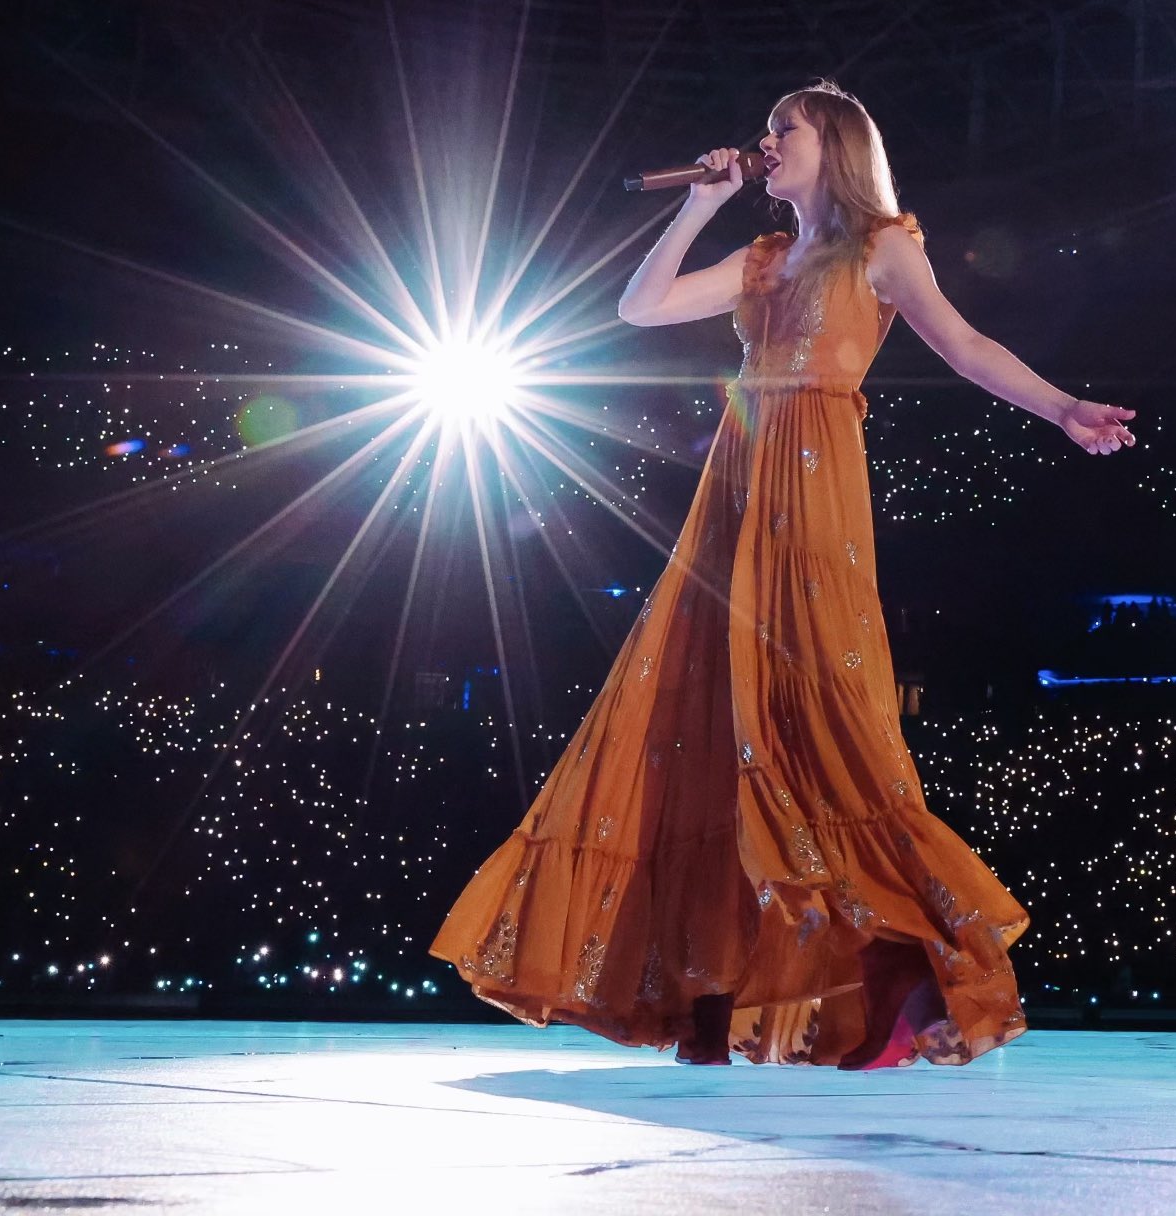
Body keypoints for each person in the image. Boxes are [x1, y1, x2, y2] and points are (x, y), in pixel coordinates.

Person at [430, 79, 1134, 1067]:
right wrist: (699, 201)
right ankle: (712, 993)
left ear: (834, 143)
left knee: (821, 707)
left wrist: (1061, 407)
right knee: (707, 720)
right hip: (738, 477)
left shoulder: (885, 245)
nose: (764, 143)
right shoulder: (759, 256)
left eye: (782, 128)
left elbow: (966, 344)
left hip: (814, 479)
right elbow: (641, 306)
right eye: (763, 130)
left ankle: (901, 956)